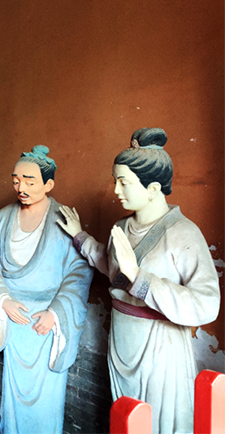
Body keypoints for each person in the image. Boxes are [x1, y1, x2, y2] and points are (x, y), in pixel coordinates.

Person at [58, 128, 220, 434]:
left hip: (161, 347)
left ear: (153, 187)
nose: (116, 190)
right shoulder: (121, 227)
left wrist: (140, 277)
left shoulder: (183, 233)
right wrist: (79, 236)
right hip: (121, 338)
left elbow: (206, 304)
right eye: (115, 180)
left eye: (124, 182)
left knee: (158, 423)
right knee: (126, 418)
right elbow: (111, 266)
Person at [0, 145, 93, 434]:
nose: (21, 188)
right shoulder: (4, 217)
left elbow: (79, 271)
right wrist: (2, 299)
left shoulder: (63, 219)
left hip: (47, 326)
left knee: (46, 401)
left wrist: (56, 313)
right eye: (16, 180)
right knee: (13, 397)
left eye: (30, 182)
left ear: (48, 184)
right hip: (15, 320)